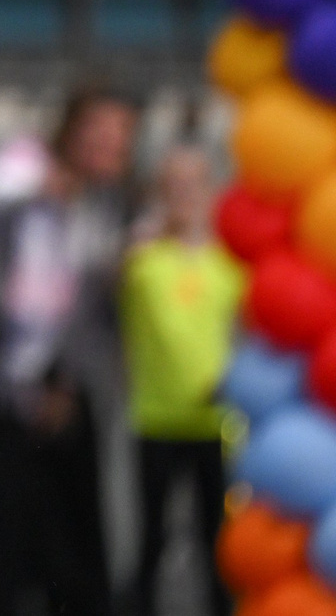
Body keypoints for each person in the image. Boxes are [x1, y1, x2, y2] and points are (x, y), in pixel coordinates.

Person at [0, 84, 140, 616]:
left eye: (122, 135)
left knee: (73, 504)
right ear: (71, 130)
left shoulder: (109, 205)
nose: (111, 144)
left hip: (64, 358)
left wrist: (64, 385)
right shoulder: (23, 166)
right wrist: (40, 190)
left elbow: (90, 307)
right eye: (100, 130)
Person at [120, 145, 243, 616]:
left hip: (216, 422)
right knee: (153, 539)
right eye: (173, 185)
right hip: (156, 419)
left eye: (193, 184)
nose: (184, 195)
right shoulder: (141, 259)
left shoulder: (228, 263)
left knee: (220, 546)